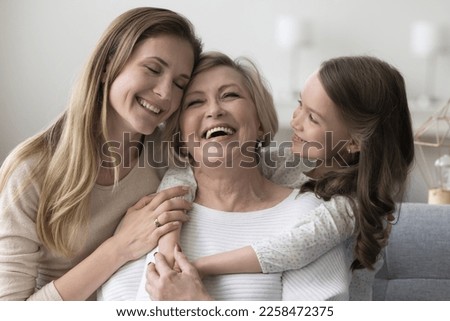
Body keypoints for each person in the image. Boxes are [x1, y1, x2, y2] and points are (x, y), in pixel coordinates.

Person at [144, 55, 415, 300]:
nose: (295, 122)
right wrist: (168, 245)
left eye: (313, 118)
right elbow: (184, 172)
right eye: (300, 105)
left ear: (354, 142)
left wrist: (198, 269)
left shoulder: (342, 209)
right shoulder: (287, 165)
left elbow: (285, 250)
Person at [99, 51, 358, 301]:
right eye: (195, 102)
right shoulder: (151, 218)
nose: (214, 110)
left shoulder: (306, 216)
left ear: (259, 122)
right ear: (180, 136)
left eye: (230, 95)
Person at [0, 7, 203, 300]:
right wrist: (119, 247)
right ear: (109, 64)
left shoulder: (169, 155)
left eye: (179, 84)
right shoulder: (30, 171)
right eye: (153, 69)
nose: (165, 93)